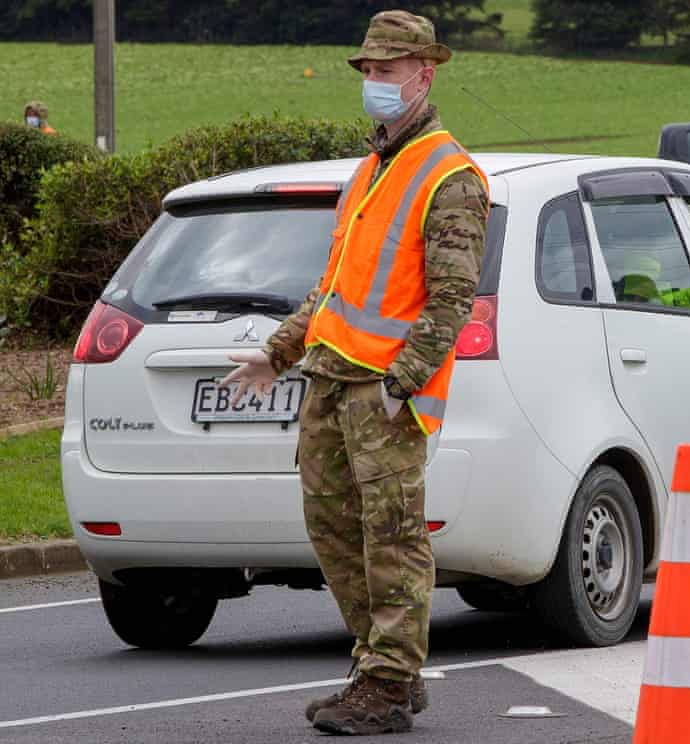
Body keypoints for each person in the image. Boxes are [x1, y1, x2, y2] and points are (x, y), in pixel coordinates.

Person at [222, 10, 488, 735]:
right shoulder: (373, 168)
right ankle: (381, 665)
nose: (373, 81)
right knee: (333, 527)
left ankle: (390, 682)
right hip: (331, 378)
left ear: (423, 74)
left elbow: (452, 299)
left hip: (382, 391)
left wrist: (402, 384)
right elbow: (334, 286)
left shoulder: (449, 173)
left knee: (391, 536)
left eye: (386, 69)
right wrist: (278, 351)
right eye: (367, 70)